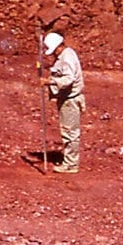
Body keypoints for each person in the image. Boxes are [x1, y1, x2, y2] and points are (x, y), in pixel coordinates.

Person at [43, 30, 85, 173]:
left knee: (70, 132)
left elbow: (68, 79)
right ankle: (70, 161)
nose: (53, 54)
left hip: (70, 100)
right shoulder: (67, 54)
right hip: (68, 99)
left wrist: (50, 81)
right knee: (69, 131)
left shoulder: (66, 58)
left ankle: (71, 164)